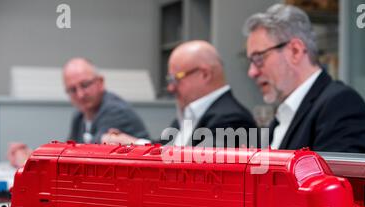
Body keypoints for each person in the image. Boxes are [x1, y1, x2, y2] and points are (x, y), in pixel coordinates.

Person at [243, 4, 365, 153]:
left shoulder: (340, 104)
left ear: (295, 51)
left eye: (258, 58)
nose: (252, 72)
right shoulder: (284, 114)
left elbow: (339, 176)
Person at [102, 40, 258, 148]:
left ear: (205, 74)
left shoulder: (232, 119)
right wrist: (131, 143)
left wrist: (136, 145)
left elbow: (191, 165)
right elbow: (168, 147)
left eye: (176, 79)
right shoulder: (193, 111)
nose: (171, 88)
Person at [7, 58, 149, 167]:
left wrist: (31, 162)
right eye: (72, 90)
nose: (80, 94)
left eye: (85, 85)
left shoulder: (115, 111)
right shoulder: (80, 115)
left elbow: (87, 160)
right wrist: (32, 156)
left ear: (100, 82)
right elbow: (67, 154)